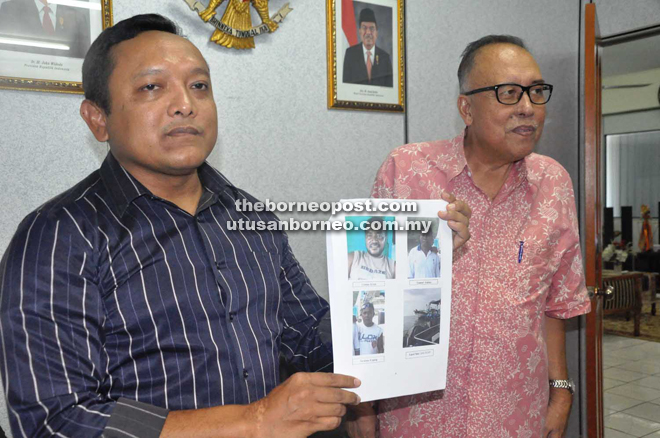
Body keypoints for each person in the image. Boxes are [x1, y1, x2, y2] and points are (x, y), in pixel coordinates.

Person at [0, 14, 363, 437]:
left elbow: (308, 340)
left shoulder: (251, 216)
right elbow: (56, 420)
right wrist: (253, 421)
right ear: (98, 119)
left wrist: (419, 272)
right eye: (152, 87)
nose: (185, 104)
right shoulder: (58, 236)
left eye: (199, 86)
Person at [370, 35, 591, 437]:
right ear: (466, 108)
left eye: (537, 92)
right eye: (509, 93)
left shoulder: (553, 183)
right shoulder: (407, 172)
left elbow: (555, 303)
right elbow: (372, 289)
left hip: (515, 415)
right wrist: (364, 403)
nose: (528, 108)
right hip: (417, 417)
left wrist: (560, 393)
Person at [0, 0, 91, 58]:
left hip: (67, 83)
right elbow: (7, 57)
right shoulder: (10, 9)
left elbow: (84, 59)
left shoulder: (77, 17)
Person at [342, 8, 393, 87]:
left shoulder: (385, 57)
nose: (368, 32)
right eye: (364, 28)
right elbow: (345, 87)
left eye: (372, 28)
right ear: (359, 31)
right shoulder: (350, 54)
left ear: (377, 33)